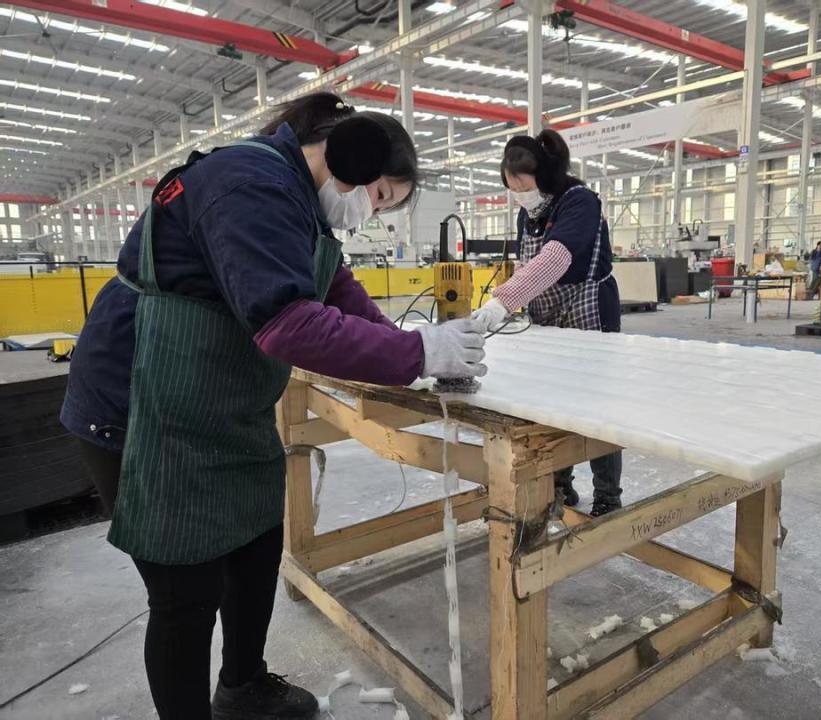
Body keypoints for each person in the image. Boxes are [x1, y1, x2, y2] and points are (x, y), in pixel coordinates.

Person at [60, 92, 486, 720]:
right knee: (185, 592)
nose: (369, 214)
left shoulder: (302, 205)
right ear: (348, 159)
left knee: (256, 544)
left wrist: (418, 351)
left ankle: (243, 687)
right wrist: (418, 353)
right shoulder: (249, 184)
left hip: (217, 403)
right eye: (378, 197)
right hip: (142, 403)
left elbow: (339, 294)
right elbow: (290, 324)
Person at [472, 130, 623, 517]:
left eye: (524, 188)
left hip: (588, 306)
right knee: (555, 399)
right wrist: (516, 298)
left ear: (545, 175)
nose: (520, 197)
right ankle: (560, 483)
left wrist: (502, 302)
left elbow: (555, 259)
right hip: (547, 308)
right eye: (513, 190)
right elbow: (529, 264)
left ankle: (607, 494)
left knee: (598, 404)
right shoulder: (529, 213)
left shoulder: (580, 202)